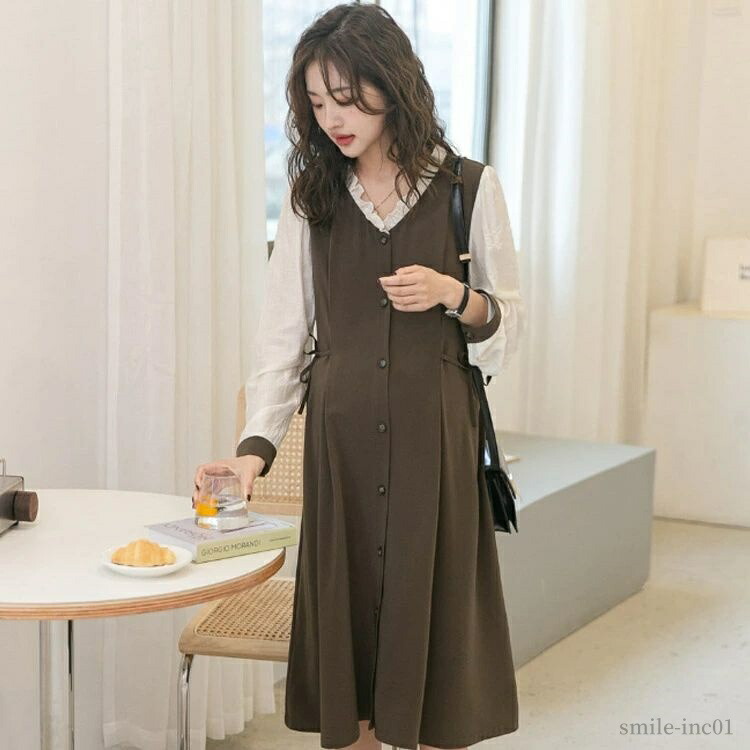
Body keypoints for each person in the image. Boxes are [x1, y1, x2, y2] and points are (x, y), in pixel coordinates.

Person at [193, 3, 525, 749]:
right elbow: (283, 339)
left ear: (392, 84)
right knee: (350, 643)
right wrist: (252, 452)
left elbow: (509, 322)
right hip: (340, 446)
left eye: (346, 97)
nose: (332, 118)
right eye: (317, 103)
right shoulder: (312, 198)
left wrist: (454, 294)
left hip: (434, 438)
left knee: (429, 623)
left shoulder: (469, 188)